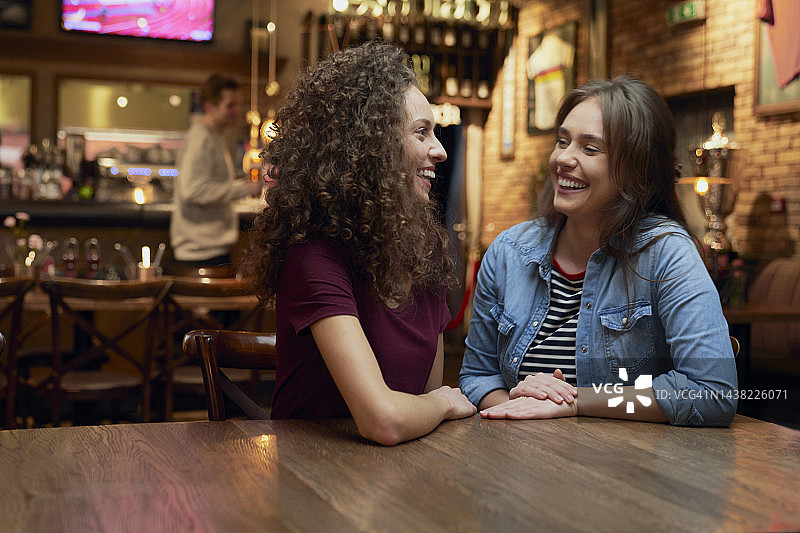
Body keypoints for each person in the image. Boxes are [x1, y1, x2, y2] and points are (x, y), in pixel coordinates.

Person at [459, 77, 738, 426]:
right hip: (520, 461)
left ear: (637, 169)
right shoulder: (508, 252)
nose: (563, 158)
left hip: (629, 470)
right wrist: (515, 408)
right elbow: (477, 376)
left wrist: (577, 401)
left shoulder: (667, 253)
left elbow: (712, 393)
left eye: (590, 149)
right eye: (562, 141)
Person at [241, 41, 476, 446]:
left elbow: (420, 400)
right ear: (370, 146)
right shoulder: (313, 253)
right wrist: (445, 404)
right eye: (422, 132)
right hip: (313, 482)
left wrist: (434, 405)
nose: (439, 151)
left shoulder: (425, 249)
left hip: (398, 475)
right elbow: (385, 419)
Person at [170, 74, 261, 267]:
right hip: (200, 254)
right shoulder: (201, 139)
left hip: (207, 250)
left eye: (238, 104)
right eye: (230, 105)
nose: (237, 111)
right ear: (210, 107)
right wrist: (243, 189)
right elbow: (192, 191)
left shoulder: (212, 136)